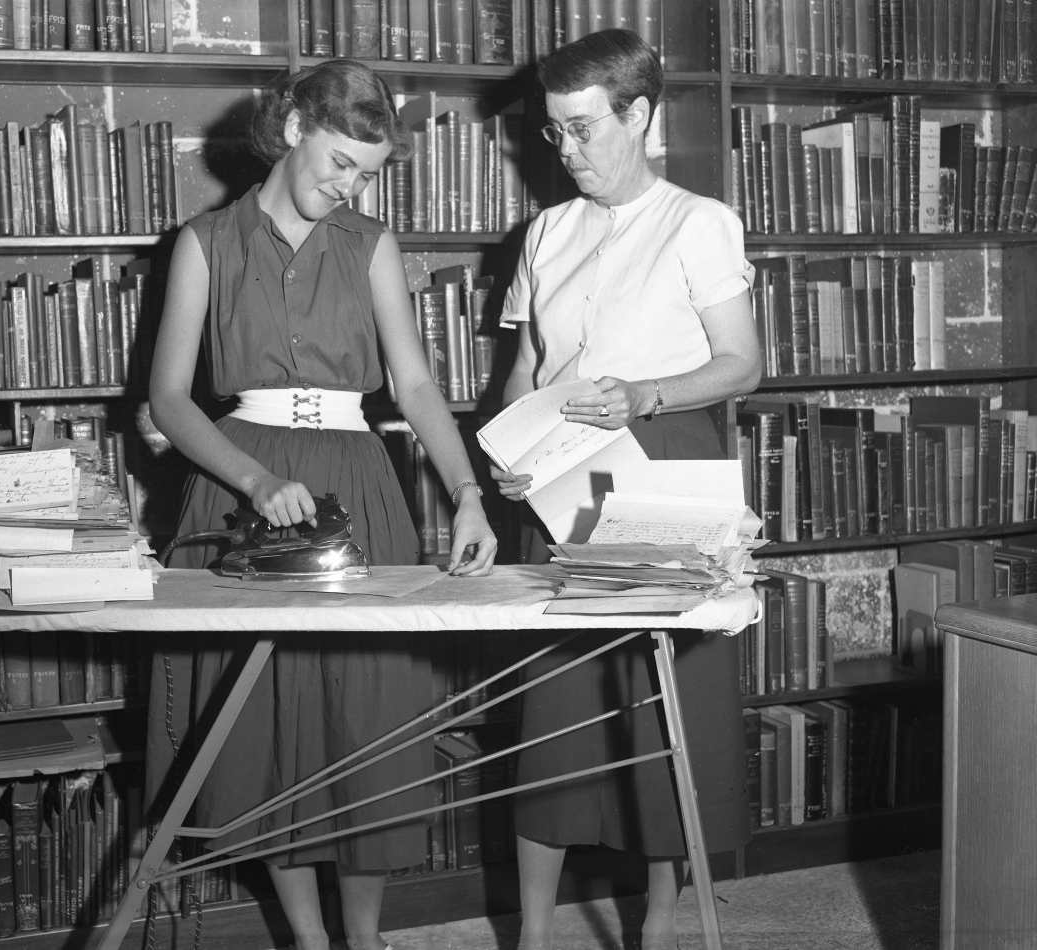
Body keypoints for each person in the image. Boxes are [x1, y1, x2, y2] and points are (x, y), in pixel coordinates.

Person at [145, 59, 497, 950]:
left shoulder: (372, 244)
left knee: (365, 718)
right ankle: (308, 937)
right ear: (295, 128)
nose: (350, 187)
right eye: (341, 161)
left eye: (368, 172)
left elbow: (415, 386)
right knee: (266, 722)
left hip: (357, 484)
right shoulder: (203, 243)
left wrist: (467, 494)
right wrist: (255, 482)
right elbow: (172, 401)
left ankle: (366, 936)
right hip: (241, 479)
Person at [490, 28, 762, 950]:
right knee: (553, 707)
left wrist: (645, 393)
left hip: (668, 462)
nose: (564, 151)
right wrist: (509, 444)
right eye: (552, 132)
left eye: (582, 128)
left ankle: (657, 922)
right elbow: (529, 365)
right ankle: (531, 932)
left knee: (662, 707)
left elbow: (741, 365)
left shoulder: (701, 222)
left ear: (638, 115)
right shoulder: (546, 231)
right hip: (563, 473)